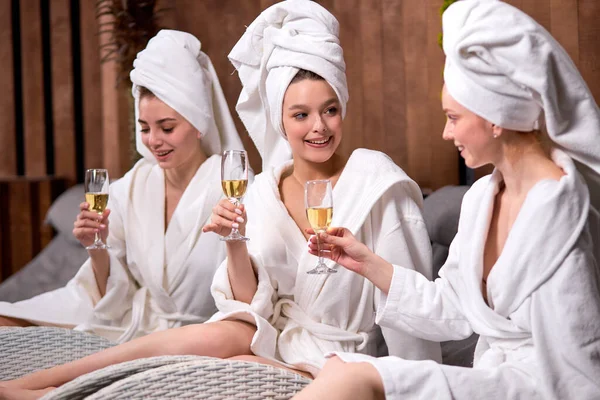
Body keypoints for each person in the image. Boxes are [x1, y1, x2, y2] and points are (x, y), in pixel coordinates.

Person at [0, 1, 439, 396]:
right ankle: (33, 389)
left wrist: (414, 384)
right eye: (300, 115)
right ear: (280, 122)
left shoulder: (375, 182)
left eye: (330, 109)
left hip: (336, 361)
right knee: (231, 329)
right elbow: (251, 304)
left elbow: (409, 306)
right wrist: (234, 240)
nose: (318, 127)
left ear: (343, 107)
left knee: (227, 349)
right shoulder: (265, 189)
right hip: (275, 341)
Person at [292, 1, 600, 399]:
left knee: (353, 379)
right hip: (493, 376)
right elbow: (454, 310)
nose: (445, 132)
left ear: (495, 116)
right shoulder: (482, 198)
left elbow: (581, 364)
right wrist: (367, 263)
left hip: (537, 386)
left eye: (453, 118)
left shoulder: (560, 210)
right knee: (342, 367)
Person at [0, 29, 245, 344]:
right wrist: (96, 245)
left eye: (167, 127)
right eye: (145, 128)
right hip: (132, 320)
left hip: (198, 335)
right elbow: (107, 293)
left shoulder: (232, 188)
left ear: (199, 123)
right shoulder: (131, 187)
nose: (154, 141)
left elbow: (246, 293)